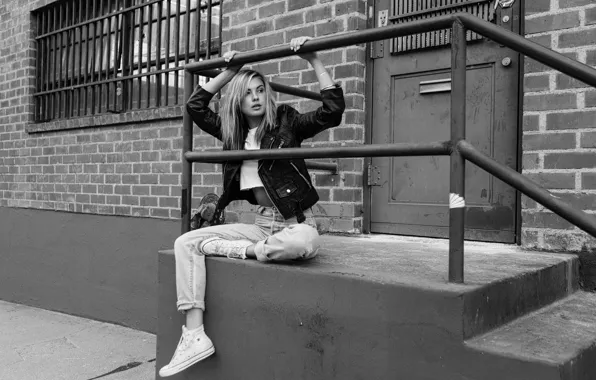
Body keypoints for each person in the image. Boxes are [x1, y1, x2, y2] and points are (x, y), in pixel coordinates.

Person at [158, 36, 345, 378]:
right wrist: (229, 72)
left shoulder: (286, 121)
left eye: (260, 90)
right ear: (238, 100)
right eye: (248, 92)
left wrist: (314, 60)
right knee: (185, 242)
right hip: (258, 223)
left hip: (294, 223)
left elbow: (332, 113)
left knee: (303, 244)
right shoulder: (231, 133)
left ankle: (242, 251)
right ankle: (194, 334)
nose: (256, 97)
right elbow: (196, 107)